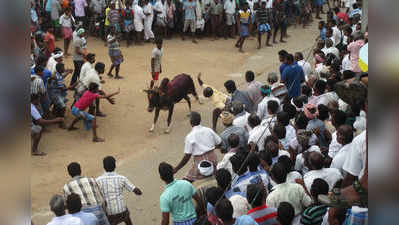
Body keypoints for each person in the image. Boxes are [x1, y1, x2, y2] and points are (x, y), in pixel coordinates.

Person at [173, 112, 222, 182]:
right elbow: (219, 142)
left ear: (190, 122)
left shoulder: (190, 136)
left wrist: (177, 168)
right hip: (213, 158)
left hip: (199, 161)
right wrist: (211, 148)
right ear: (200, 120)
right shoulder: (208, 130)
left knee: (186, 181)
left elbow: (187, 156)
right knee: (215, 175)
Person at [96, 156, 143, 225]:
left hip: (109, 213)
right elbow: (136, 191)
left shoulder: (98, 180)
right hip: (121, 210)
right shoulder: (121, 178)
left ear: (103, 167)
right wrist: (139, 191)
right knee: (127, 218)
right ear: (115, 166)